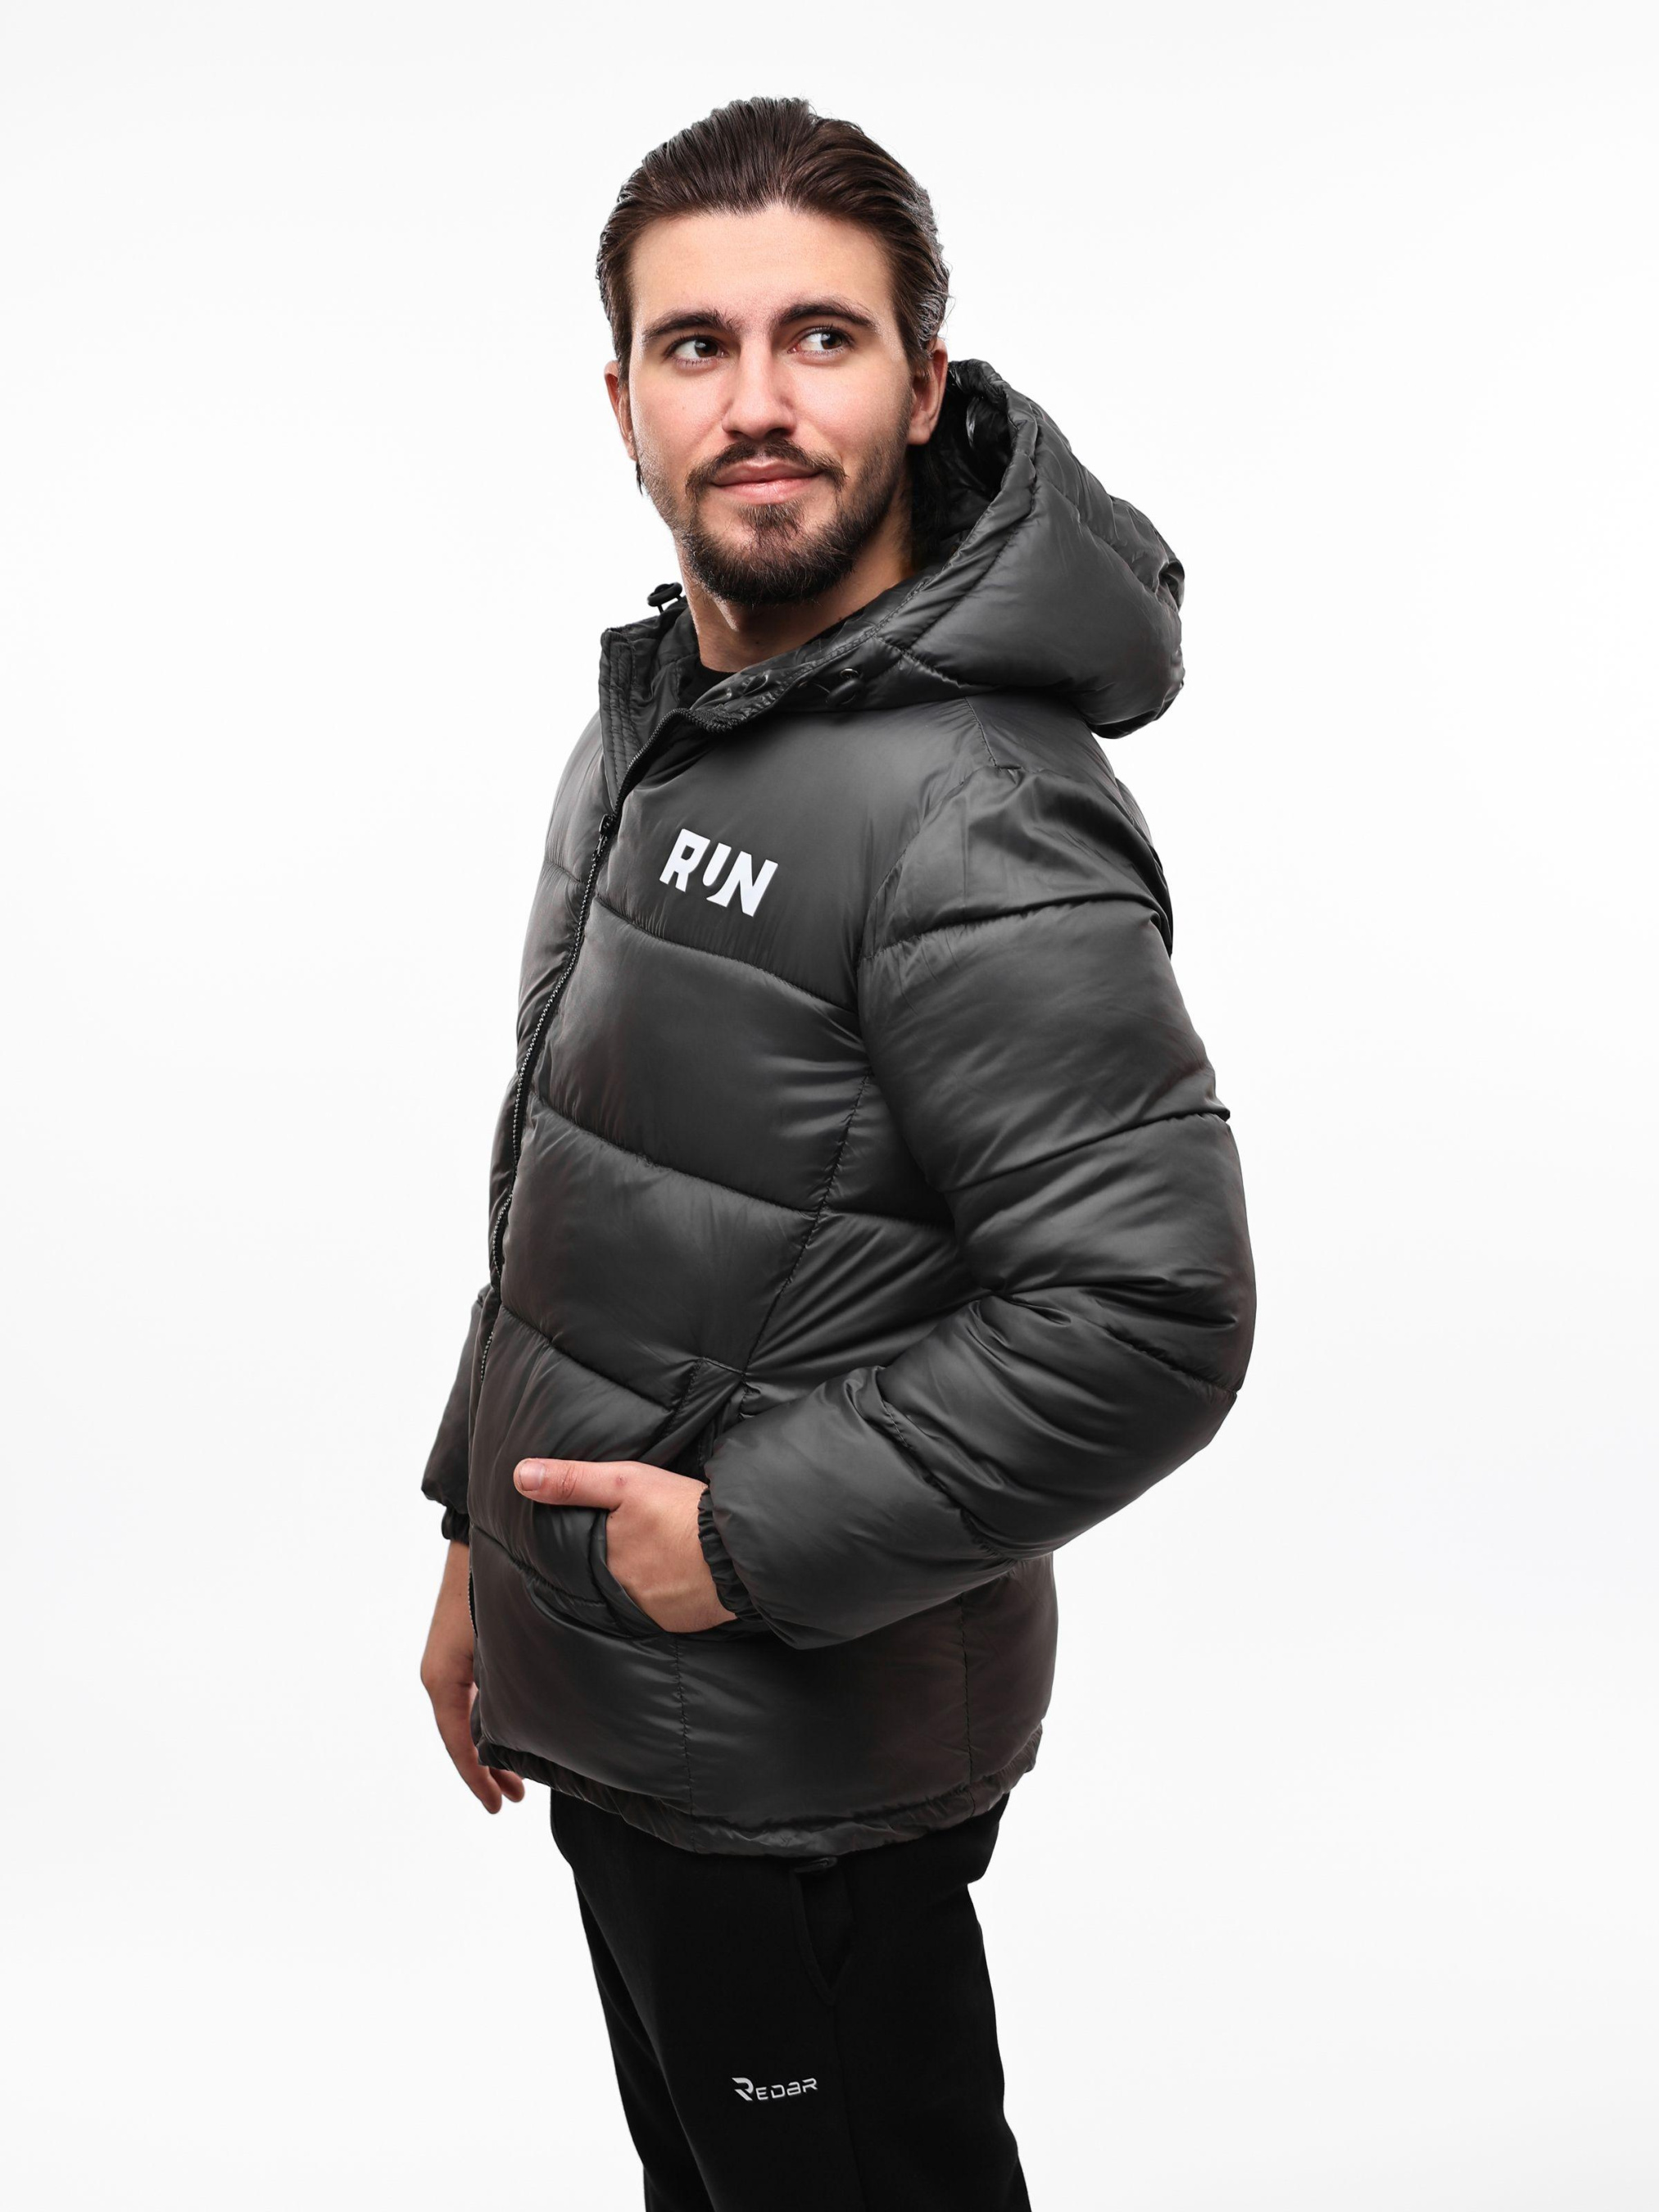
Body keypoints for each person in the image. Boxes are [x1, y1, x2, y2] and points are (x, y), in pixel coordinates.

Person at [417, 95, 1256, 2212]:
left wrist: (742, 1544)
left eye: (821, 337)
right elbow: (577, 1178)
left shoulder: (975, 804)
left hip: (795, 1753)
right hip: (622, 1700)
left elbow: (1147, 1313)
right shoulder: (663, 716)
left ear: (924, 383)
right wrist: (477, 1540)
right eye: (696, 346)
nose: (758, 401)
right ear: (622, 398)